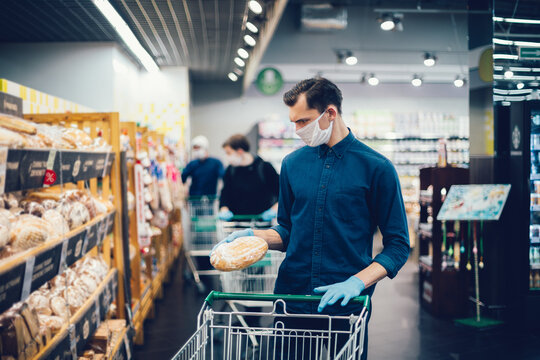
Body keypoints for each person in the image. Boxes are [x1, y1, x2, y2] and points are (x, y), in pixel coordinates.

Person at [211, 78, 410, 359]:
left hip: (347, 303)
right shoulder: (292, 164)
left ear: (330, 113)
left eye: (303, 121)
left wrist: (357, 282)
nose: (297, 130)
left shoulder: (377, 168)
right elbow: (288, 230)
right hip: (292, 298)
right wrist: (257, 237)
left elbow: (398, 245)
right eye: (293, 122)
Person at [218, 134, 279, 221]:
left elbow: (281, 193)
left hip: (261, 223)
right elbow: (225, 193)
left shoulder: (264, 167)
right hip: (236, 223)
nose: (227, 157)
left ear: (240, 151)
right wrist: (224, 209)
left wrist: (273, 210)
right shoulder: (230, 170)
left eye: (229, 153)